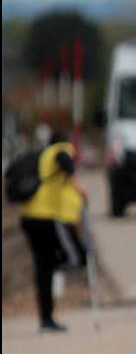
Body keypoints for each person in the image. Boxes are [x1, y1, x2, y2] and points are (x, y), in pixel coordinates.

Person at [18, 132, 87, 332]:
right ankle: (47, 316)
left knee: (43, 266)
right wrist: (78, 185)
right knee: (56, 259)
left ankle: (46, 316)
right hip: (45, 216)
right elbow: (64, 159)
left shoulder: (42, 154)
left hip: (29, 215)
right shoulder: (60, 150)